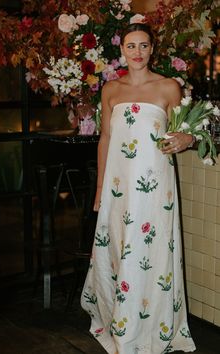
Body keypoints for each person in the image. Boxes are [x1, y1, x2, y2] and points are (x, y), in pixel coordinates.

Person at [81, 23, 196, 354]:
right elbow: (105, 139)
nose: (137, 52)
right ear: (122, 50)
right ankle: (119, 318)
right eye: (131, 46)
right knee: (119, 249)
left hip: (155, 189)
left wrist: (187, 139)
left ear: (152, 49)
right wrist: (101, 189)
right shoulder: (111, 91)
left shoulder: (169, 87)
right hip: (119, 188)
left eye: (143, 46)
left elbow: (187, 133)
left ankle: (150, 324)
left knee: (152, 252)